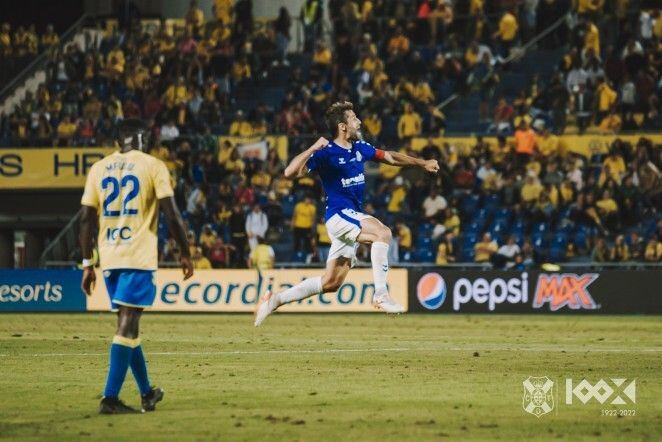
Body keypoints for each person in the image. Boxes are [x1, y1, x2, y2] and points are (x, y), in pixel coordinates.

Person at [254, 101, 439, 325]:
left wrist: (421, 163)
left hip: (349, 216)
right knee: (383, 233)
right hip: (339, 215)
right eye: (353, 118)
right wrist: (313, 148)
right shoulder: (326, 153)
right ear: (342, 126)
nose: (358, 121)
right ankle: (381, 294)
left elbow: (390, 157)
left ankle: (274, 300)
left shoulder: (360, 148)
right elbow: (289, 172)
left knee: (331, 283)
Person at [80, 119, 193, 414]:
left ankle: (147, 393)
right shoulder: (153, 165)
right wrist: (185, 252)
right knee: (126, 326)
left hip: (109, 259)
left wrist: (87, 263)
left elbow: (85, 220)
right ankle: (110, 399)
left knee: (129, 327)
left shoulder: (98, 168)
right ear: (141, 139)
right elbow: (172, 212)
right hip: (137, 257)